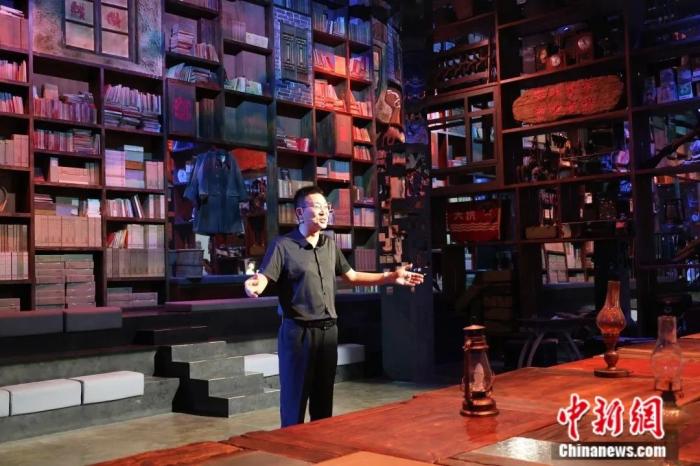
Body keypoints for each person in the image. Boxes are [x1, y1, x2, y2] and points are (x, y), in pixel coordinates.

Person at [244, 185, 424, 427]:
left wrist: (390, 277)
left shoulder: (329, 245)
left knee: (323, 402)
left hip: (328, 332)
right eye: (316, 207)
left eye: (325, 207)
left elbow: (352, 276)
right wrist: (255, 284)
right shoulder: (282, 246)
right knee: (294, 403)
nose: (323, 212)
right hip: (298, 333)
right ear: (300, 213)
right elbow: (265, 277)